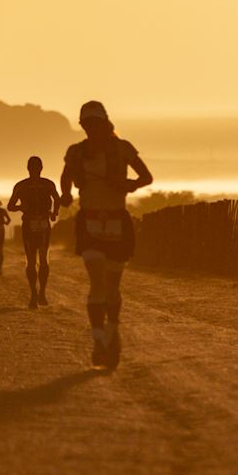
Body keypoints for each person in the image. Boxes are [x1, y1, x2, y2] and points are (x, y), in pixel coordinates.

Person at [59, 100, 152, 369]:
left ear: (105, 123)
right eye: (87, 124)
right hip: (89, 221)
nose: (92, 128)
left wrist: (129, 185)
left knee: (112, 284)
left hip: (116, 222)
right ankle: (99, 339)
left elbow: (146, 176)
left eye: (95, 123)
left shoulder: (123, 149)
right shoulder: (77, 152)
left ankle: (112, 331)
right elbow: (65, 177)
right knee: (97, 282)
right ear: (83, 126)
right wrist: (65, 194)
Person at [7, 156, 60, 308]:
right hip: (34, 223)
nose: (35, 170)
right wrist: (54, 212)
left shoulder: (25, 185)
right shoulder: (44, 184)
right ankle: (37, 294)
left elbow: (11, 206)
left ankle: (37, 294)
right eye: (35, 168)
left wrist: (54, 212)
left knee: (37, 259)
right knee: (38, 259)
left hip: (36, 223)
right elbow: (11, 206)